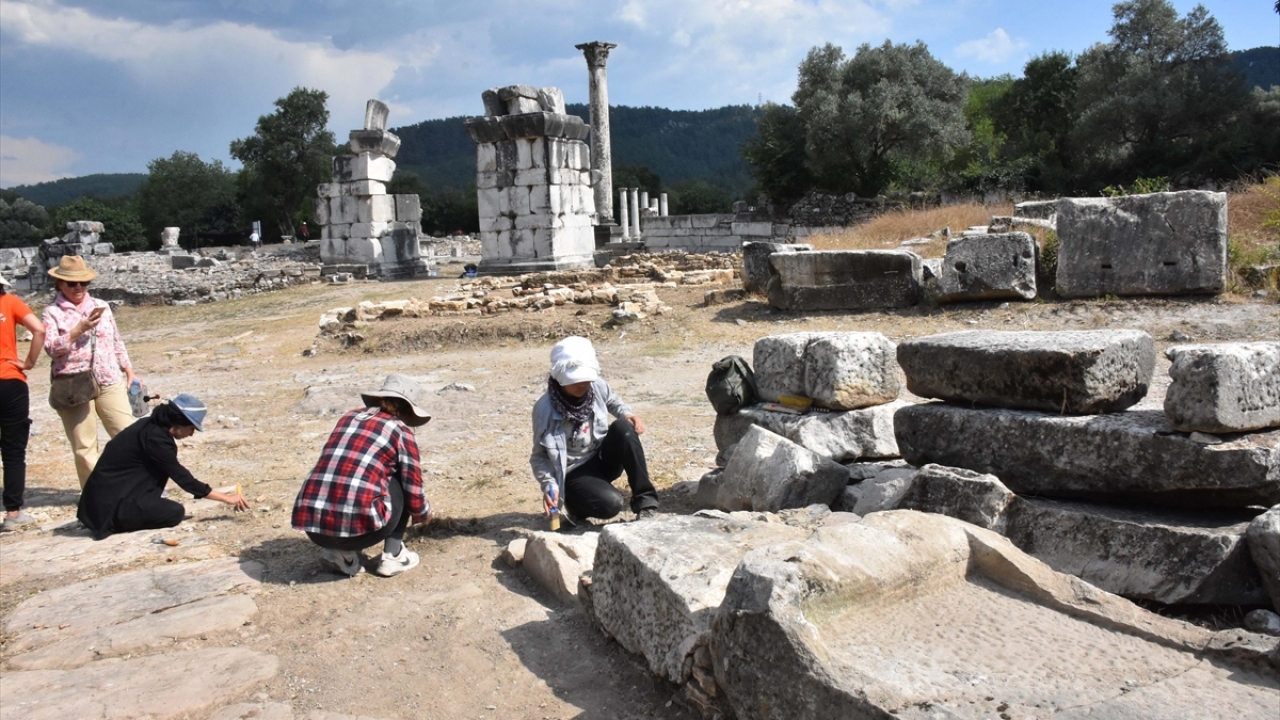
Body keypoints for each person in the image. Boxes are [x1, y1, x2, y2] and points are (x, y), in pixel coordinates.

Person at [292, 374, 433, 577]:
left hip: (314, 529)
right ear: (407, 410)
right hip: (361, 529)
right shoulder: (401, 430)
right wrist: (424, 515)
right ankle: (393, 555)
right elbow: (414, 488)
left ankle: (341, 553)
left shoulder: (348, 417)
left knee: (349, 474)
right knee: (400, 480)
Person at [77, 394, 249, 539]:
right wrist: (226, 498)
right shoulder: (155, 439)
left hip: (101, 504)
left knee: (161, 506)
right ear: (179, 422)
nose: (191, 434)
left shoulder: (151, 427)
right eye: (191, 428)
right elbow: (183, 478)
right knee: (174, 512)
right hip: (109, 510)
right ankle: (117, 523)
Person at [530, 336, 659, 526]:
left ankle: (646, 503)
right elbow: (539, 457)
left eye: (586, 379)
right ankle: (576, 505)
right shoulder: (545, 410)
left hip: (600, 457)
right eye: (575, 380)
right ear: (559, 377)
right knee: (612, 504)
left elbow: (613, 401)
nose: (582, 385)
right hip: (574, 471)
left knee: (624, 427)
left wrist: (627, 413)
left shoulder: (597, 386)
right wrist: (549, 484)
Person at [42, 256, 140, 487]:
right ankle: (98, 496)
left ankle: (142, 484)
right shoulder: (51, 313)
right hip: (73, 383)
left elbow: (116, 340)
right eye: (72, 284)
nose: (78, 288)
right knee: (84, 446)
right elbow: (51, 348)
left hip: (108, 377)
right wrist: (77, 330)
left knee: (129, 435)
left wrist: (130, 371)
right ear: (60, 284)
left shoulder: (102, 306)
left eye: (83, 283)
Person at [1, 273, 46, 529]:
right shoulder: (9, 301)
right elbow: (38, 329)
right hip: (9, 381)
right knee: (13, 452)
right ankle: (13, 513)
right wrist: (28, 363)